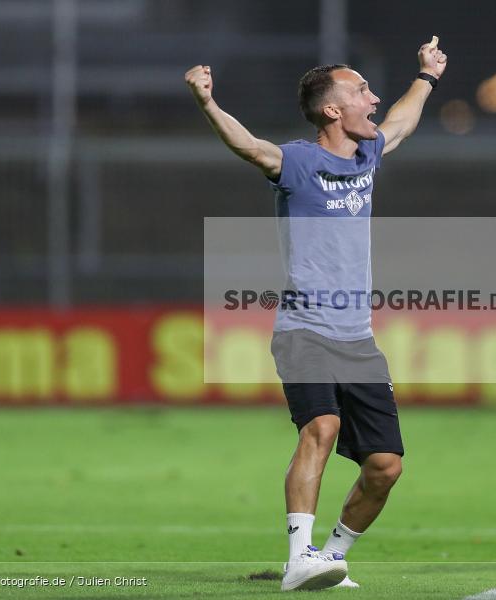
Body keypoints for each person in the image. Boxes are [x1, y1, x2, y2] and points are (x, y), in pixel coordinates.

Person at [186, 38, 447, 591]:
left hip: (357, 339)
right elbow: (252, 148)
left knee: (385, 468)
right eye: (361, 92)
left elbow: (400, 123)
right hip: (304, 330)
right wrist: (209, 104)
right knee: (322, 426)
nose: (373, 100)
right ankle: (298, 555)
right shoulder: (300, 162)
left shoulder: (368, 153)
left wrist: (426, 76)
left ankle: (329, 558)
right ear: (333, 110)